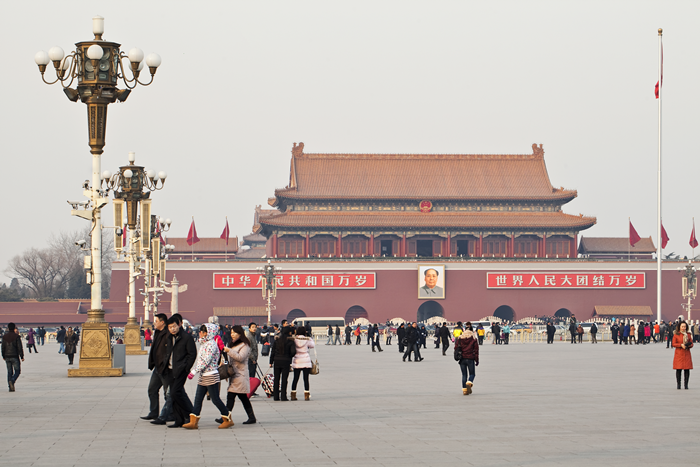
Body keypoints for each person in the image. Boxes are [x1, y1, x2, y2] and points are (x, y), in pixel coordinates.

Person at [182, 323, 230, 430]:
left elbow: (205, 361)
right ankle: (193, 422)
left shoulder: (211, 345)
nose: (199, 333)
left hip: (211, 375)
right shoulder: (205, 344)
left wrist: (194, 371)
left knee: (215, 399)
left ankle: (227, 418)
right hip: (204, 375)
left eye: (202, 331)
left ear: (208, 333)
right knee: (198, 399)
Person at [220, 325, 256, 425]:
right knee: (242, 397)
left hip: (240, 374)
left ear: (240, 333)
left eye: (234, 333)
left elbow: (240, 357)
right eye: (231, 333)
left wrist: (229, 351)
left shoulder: (245, 345)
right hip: (234, 374)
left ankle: (225, 417)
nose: (232, 335)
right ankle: (251, 417)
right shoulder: (233, 344)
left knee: (231, 396)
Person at [166, 315, 197, 428]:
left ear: (179, 325)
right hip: (170, 369)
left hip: (181, 370)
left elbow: (192, 354)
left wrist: (186, 367)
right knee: (174, 395)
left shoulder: (186, 337)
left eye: (174, 326)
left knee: (175, 392)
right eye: (170, 327)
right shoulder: (169, 338)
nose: (172, 329)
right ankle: (179, 420)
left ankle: (190, 413)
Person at [143, 313, 173, 425]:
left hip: (164, 368)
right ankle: (153, 412)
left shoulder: (167, 334)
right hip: (157, 367)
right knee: (152, 389)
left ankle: (170, 414)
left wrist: (165, 364)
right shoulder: (157, 332)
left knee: (167, 392)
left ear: (162, 322)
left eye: (156, 321)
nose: (154, 323)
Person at [269, 326, 296, 401]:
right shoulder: (291, 341)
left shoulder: (277, 340)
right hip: (286, 361)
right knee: (284, 379)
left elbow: (273, 352)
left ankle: (276, 396)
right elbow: (293, 352)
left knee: (276, 379)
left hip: (276, 361)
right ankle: (283, 396)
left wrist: (271, 362)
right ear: (289, 332)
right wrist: (289, 356)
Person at [291, 326, 315, 401]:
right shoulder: (307, 339)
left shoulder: (294, 339)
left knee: (295, 378)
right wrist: (309, 338)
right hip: (305, 360)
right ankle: (306, 395)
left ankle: (293, 394)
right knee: (306, 379)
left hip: (297, 360)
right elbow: (312, 346)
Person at [455, 321, 479, 395]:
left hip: (462, 359)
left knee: (464, 374)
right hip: (470, 358)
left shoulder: (460, 339)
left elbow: (456, 347)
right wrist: (477, 360)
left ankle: (465, 390)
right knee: (472, 374)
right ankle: (469, 383)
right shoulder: (473, 339)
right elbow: (476, 350)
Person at [2, 323, 24, 392]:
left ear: (8, 328)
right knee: (17, 371)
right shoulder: (17, 336)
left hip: (7, 356)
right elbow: (19, 347)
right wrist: (22, 356)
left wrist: (3, 355)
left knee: (9, 372)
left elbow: (2, 347)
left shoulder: (4, 337)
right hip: (15, 356)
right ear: (14, 328)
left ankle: (10, 387)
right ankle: (12, 380)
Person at [672, 321, 694, 390]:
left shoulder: (688, 335)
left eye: (685, 327)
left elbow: (692, 343)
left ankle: (686, 384)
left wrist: (688, 345)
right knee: (678, 369)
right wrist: (681, 345)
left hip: (686, 353)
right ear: (679, 327)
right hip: (679, 354)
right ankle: (678, 384)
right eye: (682, 327)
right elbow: (673, 344)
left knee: (687, 369)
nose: (683, 328)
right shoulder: (676, 334)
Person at [245, 323, 258, 389]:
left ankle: (251, 389)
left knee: (252, 375)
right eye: (252, 327)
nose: (254, 328)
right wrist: (253, 359)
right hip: (250, 360)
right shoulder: (249, 337)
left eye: (255, 327)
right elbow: (249, 349)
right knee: (250, 375)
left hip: (253, 359)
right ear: (249, 328)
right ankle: (249, 390)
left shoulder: (253, 336)